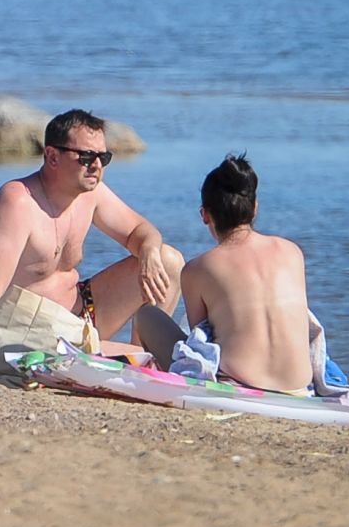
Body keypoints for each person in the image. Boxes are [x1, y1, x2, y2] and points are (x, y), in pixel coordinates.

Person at [0, 110, 183, 384]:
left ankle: (142, 361)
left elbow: (141, 231)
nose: (96, 166)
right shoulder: (17, 201)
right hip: (32, 330)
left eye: (103, 157)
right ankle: (143, 359)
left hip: (83, 314)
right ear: (52, 156)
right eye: (86, 157)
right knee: (154, 355)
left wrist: (147, 251)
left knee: (168, 260)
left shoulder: (91, 193)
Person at [133, 154, 314, 395]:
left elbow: (202, 342)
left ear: (205, 214)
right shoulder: (293, 252)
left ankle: (139, 367)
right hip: (298, 387)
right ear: (255, 207)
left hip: (238, 386)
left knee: (146, 315)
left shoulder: (199, 268)